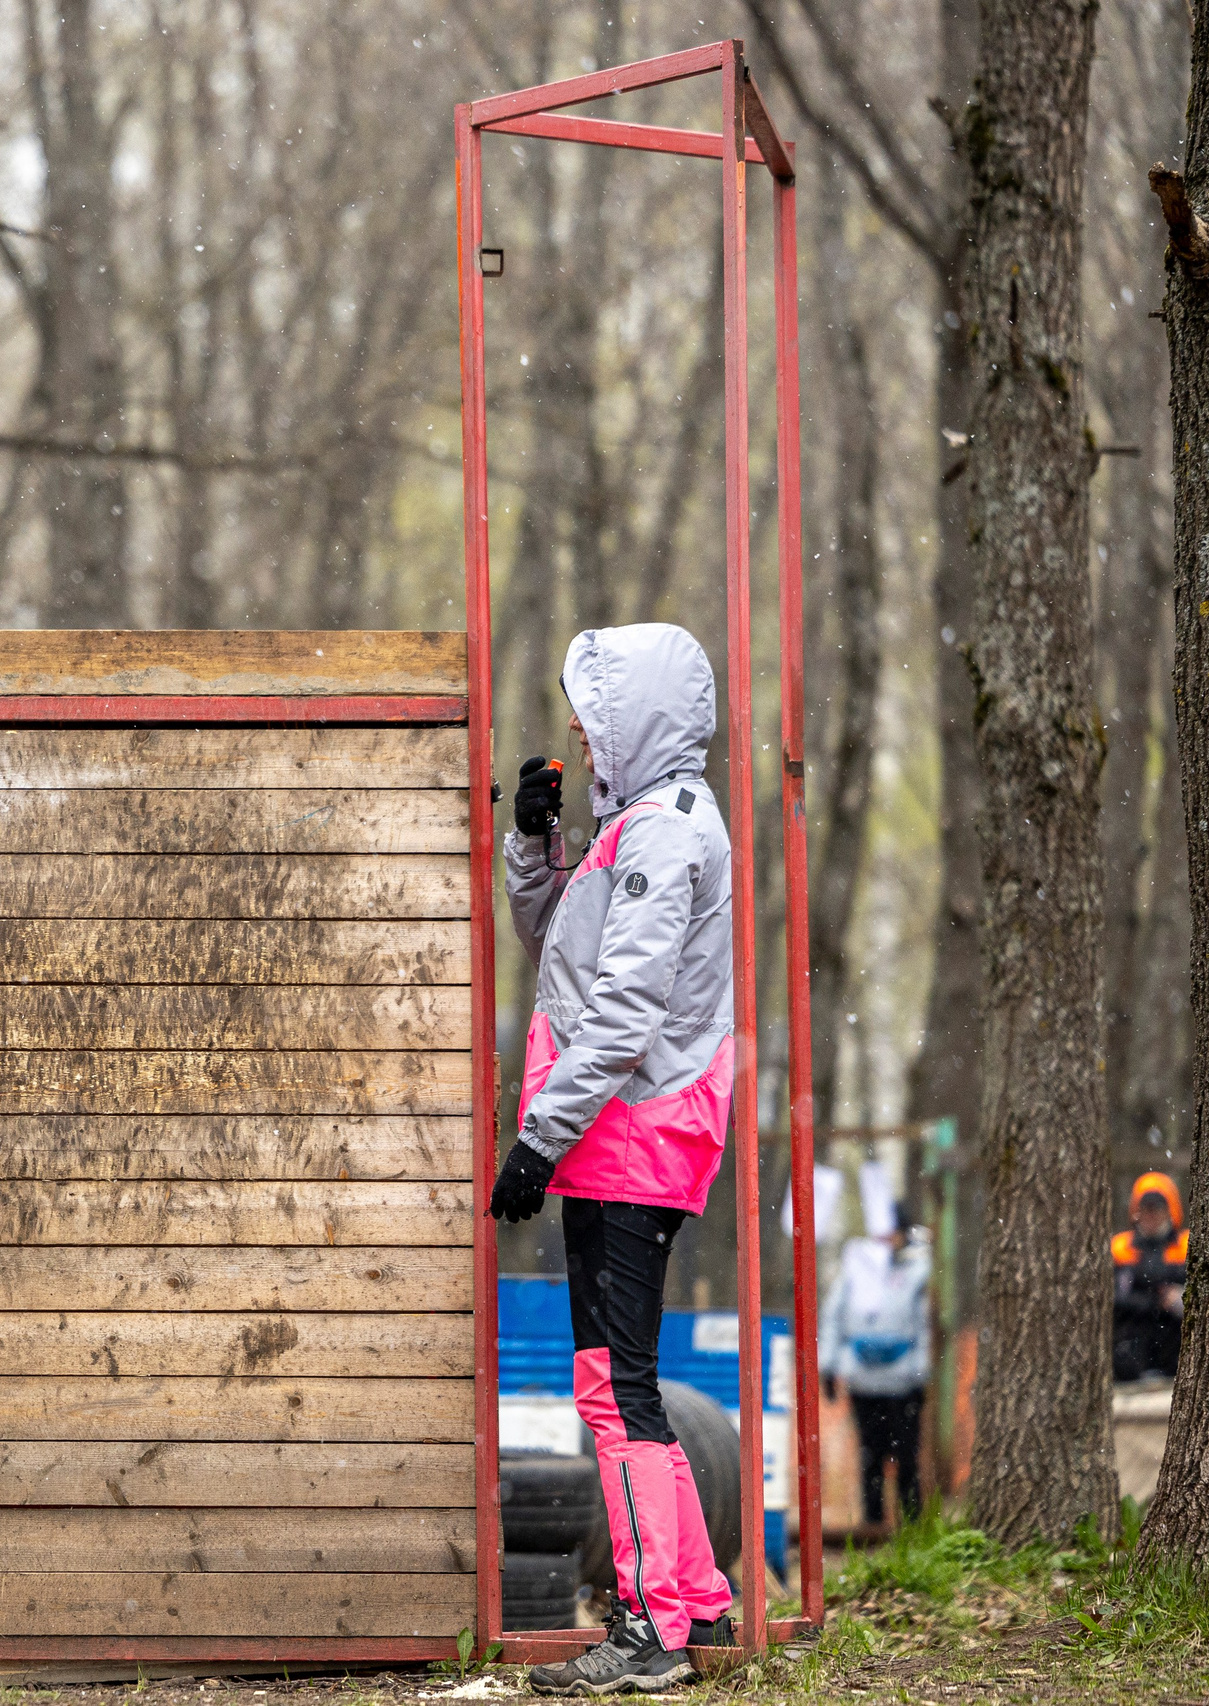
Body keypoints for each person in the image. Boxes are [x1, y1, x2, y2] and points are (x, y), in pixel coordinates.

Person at [493, 625, 738, 1696]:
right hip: (620, 1134)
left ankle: (648, 1626)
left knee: (613, 1391)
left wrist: (538, 1137)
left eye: (598, 727)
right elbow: (552, 945)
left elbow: (625, 1010)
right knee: (621, 1382)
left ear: (638, 724)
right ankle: (698, 1600)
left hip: (625, 1135)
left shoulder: (665, 836)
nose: (587, 747)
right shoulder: (633, 827)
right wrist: (532, 844)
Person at [820, 1204, 931, 1530]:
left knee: (907, 1456)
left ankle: (913, 1528)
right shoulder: (856, 1270)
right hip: (863, 1382)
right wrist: (829, 1366)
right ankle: (873, 1526)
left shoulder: (918, 1272)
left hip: (904, 1382)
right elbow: (833, 1317)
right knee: (871, 1454)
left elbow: (923, 1326)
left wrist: (920, 1374)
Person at [1113, 1172, 1188, 1382]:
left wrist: (1183, 1300)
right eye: (1146, 1210)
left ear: (1170, 1211)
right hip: (1130, 1356)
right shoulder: (1120, 1248)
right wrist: (1153, 1301)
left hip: (1176, 1354)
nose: (1151, 1216)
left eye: (1158, 1210)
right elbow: (1112, 1299)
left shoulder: (1187, 1247)